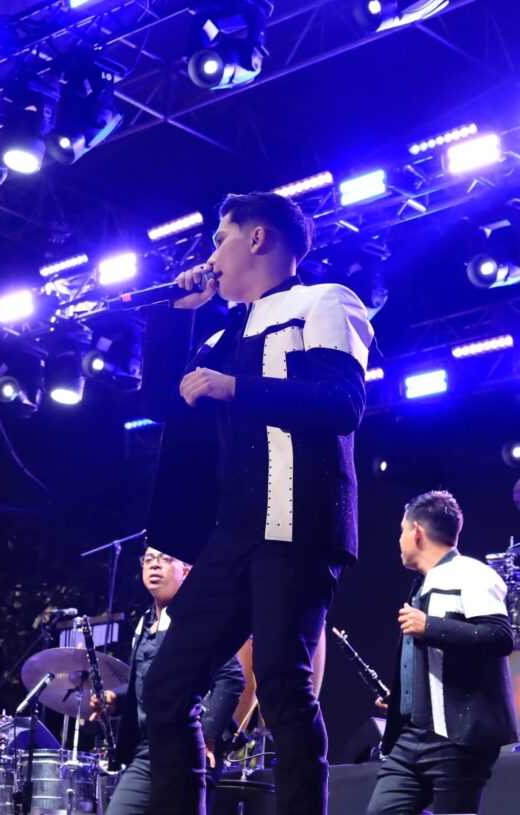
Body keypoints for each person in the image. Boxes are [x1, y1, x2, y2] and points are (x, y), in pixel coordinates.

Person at [138, 191, 373, 815]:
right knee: (166, 687)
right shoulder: (222, 333)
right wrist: (178, 314)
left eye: (221, 239)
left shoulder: (324, 301)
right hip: (232, 533)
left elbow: (342, 404)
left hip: (299, 523)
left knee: (283, 685)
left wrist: (235, 387)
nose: (212, 254)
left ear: (258, 239)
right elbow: (162, 403)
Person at [365, 490, 518, 815]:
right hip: (410, 738)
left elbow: (500, 637)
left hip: (458, 739)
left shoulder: (472, 573)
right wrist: (405, 700)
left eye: (402, 530)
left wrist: (430, 627)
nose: (399, 540)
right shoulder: (424, 583)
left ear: (417, 532)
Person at [90, 546, 244, 815]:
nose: (154, 564)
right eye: (149, 558)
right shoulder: (145, 622)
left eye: (165, 558)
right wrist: (116, 698)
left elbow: (231, 677)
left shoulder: (197, 621)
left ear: (186, 571)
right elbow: (150, 682)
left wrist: (208, 735)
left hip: (187, 745)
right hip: (147, 750)